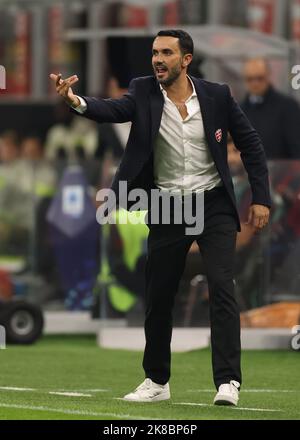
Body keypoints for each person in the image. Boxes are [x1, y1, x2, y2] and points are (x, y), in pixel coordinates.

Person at [50, 29, 271, 407]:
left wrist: (261, 198)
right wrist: (76, 101)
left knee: (222, 286)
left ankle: (228, 381)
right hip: (169, 205)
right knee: (159, 295)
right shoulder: (142, 91)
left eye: (166, 53)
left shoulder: (217, 95)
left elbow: (250, 143)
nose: (157, 59)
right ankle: (157, 380)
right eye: (154, 52)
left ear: (185, 59)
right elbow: (111, 110)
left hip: (213, 202)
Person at [240, 58, 300, 159]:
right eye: (250, 79)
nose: (255, 83)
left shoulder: (287, 106)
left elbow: (296, 148)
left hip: (282, 172)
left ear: (268, 76)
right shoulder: (239, 110)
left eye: (259, 78)